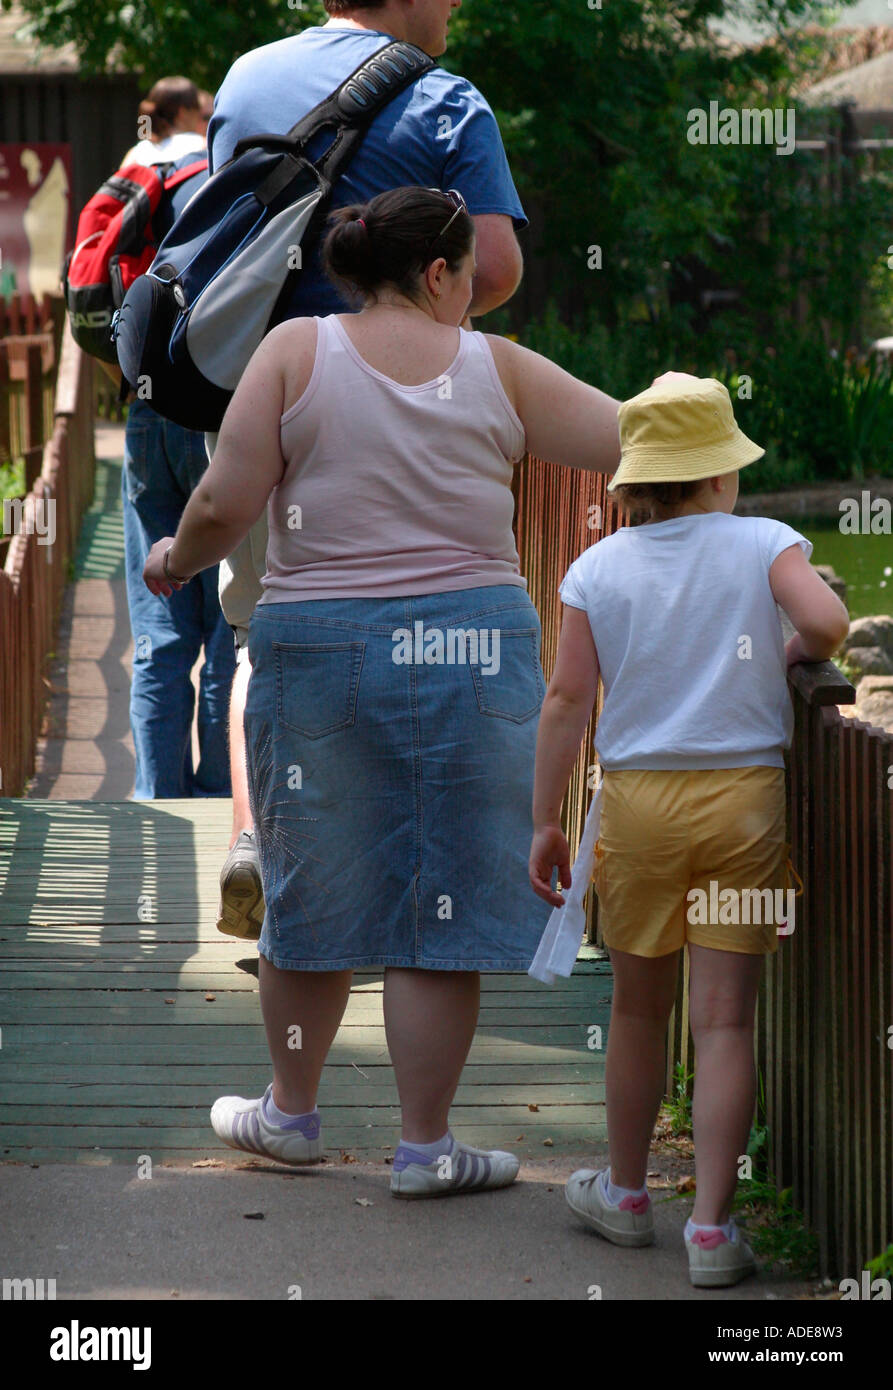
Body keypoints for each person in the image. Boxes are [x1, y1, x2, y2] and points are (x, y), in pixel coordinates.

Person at [143, 185, 621, 1196]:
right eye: (467, 281)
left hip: (323, 647)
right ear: (441, 273)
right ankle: (424, 1146)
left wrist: (173, 559)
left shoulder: (295, 351)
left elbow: (228, 497)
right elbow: (633, 442)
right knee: (437, 908)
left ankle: (291, 1112)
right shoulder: (498, 368)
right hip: (474, 649)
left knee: (309, 887)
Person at [205, 0, 527, 937]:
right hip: (416, 418)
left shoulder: (247, 78)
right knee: (409, 632)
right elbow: (497, 265)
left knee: (265, 635)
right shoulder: (444, 97)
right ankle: (394, 880)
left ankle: (260, 837)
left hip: (271, 401)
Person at [528, 373, 849, 1282]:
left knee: (637, 1010)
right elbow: (826, 620)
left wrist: (544, 820)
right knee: (722, 1024)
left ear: (633, 484)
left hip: (637, 805)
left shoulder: (596, 568)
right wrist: (795, 652)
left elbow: (565, 701)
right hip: (742, 801)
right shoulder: (761, 542)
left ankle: (626, 1196)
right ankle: (710, 1229)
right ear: (718, 477)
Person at [119, 82, 236, 799]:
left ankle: (155, 799)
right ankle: (225, 797)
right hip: (215, 409)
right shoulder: (219, 170)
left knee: (161, 632)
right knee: (227, 623)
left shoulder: (130, 170)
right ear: (200, 114)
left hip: (144, 410)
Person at [121, 76, 207, 166]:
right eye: (198, 108)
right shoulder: (204, 146)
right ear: (183, 112)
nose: (200, 114)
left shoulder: (137, 153)